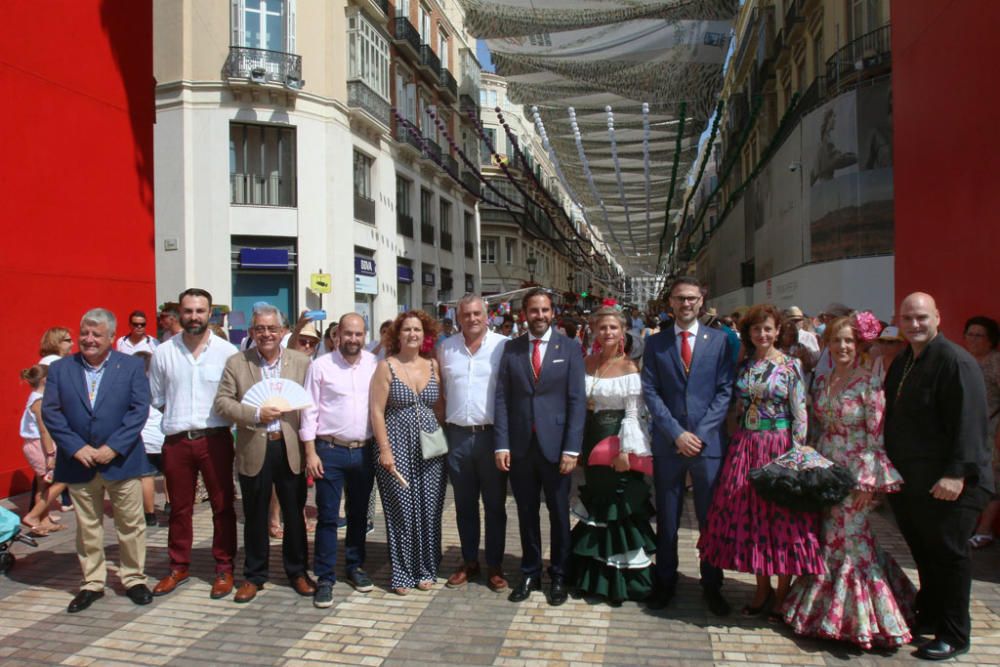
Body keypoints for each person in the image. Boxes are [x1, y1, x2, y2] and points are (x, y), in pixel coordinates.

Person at [782, 317, 915, 649]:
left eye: (849, 342)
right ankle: (824, 614)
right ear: (827, 344)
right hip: (825, 471)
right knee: (828, 540)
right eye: (837, 341)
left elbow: (876, 441)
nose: (842, 347)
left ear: (860, 346)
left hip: (855, 474)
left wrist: (867, 487)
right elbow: (813, 429)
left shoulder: (870, 384)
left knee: (853, 544)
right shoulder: (822, 380)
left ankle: (864, 620)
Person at [884, 293, 994, 660]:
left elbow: (971, 424)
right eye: (908, 318)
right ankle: (929, 617)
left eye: (922, 318)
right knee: (926, 555)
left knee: (949, 557)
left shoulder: (955, 361)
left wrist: (956, 474)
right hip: (913, 483)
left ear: (937, 318)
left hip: (950, 485)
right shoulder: (906, 360)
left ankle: (955, 633)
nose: (915, 324)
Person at [698, 304, 823, 619]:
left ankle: (782, 592)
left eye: (768, 329)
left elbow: (800, 413)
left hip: (779, 446)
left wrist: (796, 455)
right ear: (749, 334)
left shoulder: (791, 366)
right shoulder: (745, 365)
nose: (763, 334)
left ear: (778, 331)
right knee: (755, 520)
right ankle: (761, 587)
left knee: (783, 519)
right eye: (756, 330)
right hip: (747, 445)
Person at [42, 308, 153, 613]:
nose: (89, 340)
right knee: (87, 525)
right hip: (78, 462)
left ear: (112, 338)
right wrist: (76, 447)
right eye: (85, 334)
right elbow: (51, 412)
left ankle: (133, 578)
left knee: (130, 524)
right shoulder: (62, 369)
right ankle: (92, 583)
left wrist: (113, 448)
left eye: (96, 334)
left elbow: (138, 410)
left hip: (122, 461)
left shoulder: (129, 366)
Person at [641, 276, 735, 615]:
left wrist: (701, 433)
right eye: (680, 298)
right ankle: (665, 581)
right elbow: (650, 392)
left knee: (711, 519)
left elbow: (726, 391)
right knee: (667, 518)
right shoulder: (656, 343)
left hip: (707, 445)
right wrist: (676, 433)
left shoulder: (720, 341)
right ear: (670, 302)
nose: (685, 304)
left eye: (691, 299)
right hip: (670, 444)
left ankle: (712, 584)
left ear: (702, 301)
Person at [214, 304, 314, 604]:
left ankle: (297, 571)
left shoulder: (301, 362)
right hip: (254, 445)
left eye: (272, 329)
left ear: (283, 332)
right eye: (260, 329)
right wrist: (255, 412)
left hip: (290, 447)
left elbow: (311, 403)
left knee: (294, 514)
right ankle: (254, 575)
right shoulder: (237, 362)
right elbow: (223, 403)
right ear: (252, 332)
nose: (266, 334)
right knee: (255, 515)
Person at [494, 288, 586, 606]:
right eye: (534, 310)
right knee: (526, 512)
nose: (540, 316)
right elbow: (503, 399)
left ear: (553, 313)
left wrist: (572, 449)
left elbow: (577, 401)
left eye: (545, 310)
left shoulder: (570, 348)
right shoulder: (512, 349)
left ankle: (559, 573)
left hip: (557, 447)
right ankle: (530, 571)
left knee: (559, 513)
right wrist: (501, 444)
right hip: (521, 447)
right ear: (524, 313)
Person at [150, 288, 240, 600]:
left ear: (210, 312)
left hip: (215, 439)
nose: (194, 317)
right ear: (179, 314)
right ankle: (178, 566)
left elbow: (236, 397)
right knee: (179, 508)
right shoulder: (164, 352)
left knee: (223, 506)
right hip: (176, 441)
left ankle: (224, 567)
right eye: (188, 311)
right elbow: (157, 397)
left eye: (200, 311)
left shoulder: (227, 352)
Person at [569, 306, 655, 604]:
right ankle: (593, 577)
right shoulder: (586, 362)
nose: (607, 333)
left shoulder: (630, 367)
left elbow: (634, 414)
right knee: (595, 505)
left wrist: (626, 451)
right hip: (590, 440)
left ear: (623, 332)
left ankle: (621, 580)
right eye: (602, 328)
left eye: (613, 328)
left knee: (618, 506)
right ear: (594, 330)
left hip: (615, 444)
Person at [300, 313, 378, 608]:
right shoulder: (320, 366)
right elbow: (308, 410)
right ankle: (325, 577)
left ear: (365, 336)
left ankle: (355, 566)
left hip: (363, 450)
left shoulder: (374, 364)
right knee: (329, 516)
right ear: (337, 336)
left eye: (358, 334)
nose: (353, 339)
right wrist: (310, 451)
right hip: (329, 450)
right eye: (348, 334)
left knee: (359, 514)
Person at [370, 310, 446, 595]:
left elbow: (439, 408)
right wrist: (385, 450)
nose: (412, 334)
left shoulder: (433, 365)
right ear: (397, 335)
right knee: (401, 508)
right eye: (407, 330)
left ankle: (427, 568)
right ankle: (402, 572)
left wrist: (443, 442)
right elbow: (376, 411)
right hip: (397, 443)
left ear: (425, 335)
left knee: (430, 508)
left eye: (417, 330)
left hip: (431, 445)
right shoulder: (386, 367)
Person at [438, 295, 509, 591]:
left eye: (477, 313)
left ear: (488, 315)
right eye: (466, 314)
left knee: (495, 505)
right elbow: (439, 392)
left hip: (491, 436)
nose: (472, 319)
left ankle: (494, 565)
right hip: (457, 436)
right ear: (458, 317)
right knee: (465, 505)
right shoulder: (446, 348)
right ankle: (469, 561)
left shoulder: (503, 346)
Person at [17, 364, 66, 535]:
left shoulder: (37, 397)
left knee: (43, 484)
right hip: (40, 445)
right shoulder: (39, 401)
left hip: (37, 444)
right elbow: (44, 429)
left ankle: (43, 520)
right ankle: (33, 516)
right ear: (45, 379)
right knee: (60, 481)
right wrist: (51, 454)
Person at [964, 316, 1000, 549]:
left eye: (980, 335)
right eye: (970, 334)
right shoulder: (963, 360)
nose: (974, 339)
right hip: (965, 429)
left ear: (991, 340)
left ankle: (985, 529)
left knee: (993, 479)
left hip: (991, 428)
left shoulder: (995, 362)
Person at [133, 351, 166, 527]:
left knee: (147, 476)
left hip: (144, 439)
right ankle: (170, 504)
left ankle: (150, 514)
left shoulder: (130, 385)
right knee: (170, 473)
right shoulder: (157, 383)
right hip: (161, 435)